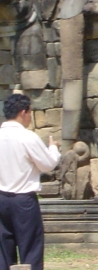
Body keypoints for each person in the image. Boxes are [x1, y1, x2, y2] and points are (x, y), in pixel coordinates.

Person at [0, 93, 59, 270]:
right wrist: (53, 148)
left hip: (1, 199)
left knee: (3, 249)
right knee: (30, 249)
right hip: (23, 201)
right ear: (23, 112)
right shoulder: (27, 137)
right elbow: (48, 165)